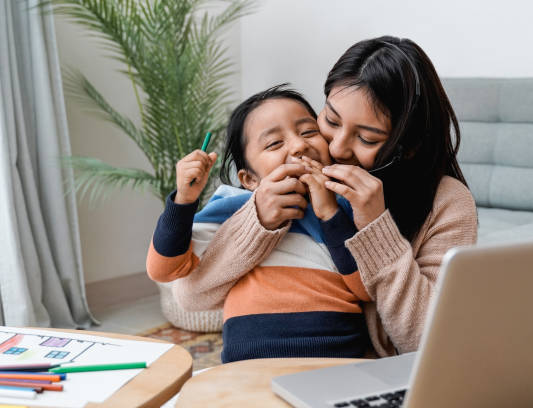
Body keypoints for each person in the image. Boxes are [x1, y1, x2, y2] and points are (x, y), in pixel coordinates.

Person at [185, 36, 478, 356]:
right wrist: (257, 221)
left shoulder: (447, 202)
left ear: (407, 148)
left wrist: (376, 229)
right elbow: (191, 297)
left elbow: (429, 346)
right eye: (330, 121)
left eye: (366, 138)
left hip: (368, 377)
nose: (336, 148)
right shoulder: (284, 183)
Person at [147, 85, 372, 363]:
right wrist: (183, 200)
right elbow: (163, 269)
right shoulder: (232, 208)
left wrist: (329, 212)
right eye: (275, 143)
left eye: (309, 132)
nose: (299, 145)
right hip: (249, 364)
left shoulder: (348, 206)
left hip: (338, 358)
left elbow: (367, 288)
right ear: (250, 180)